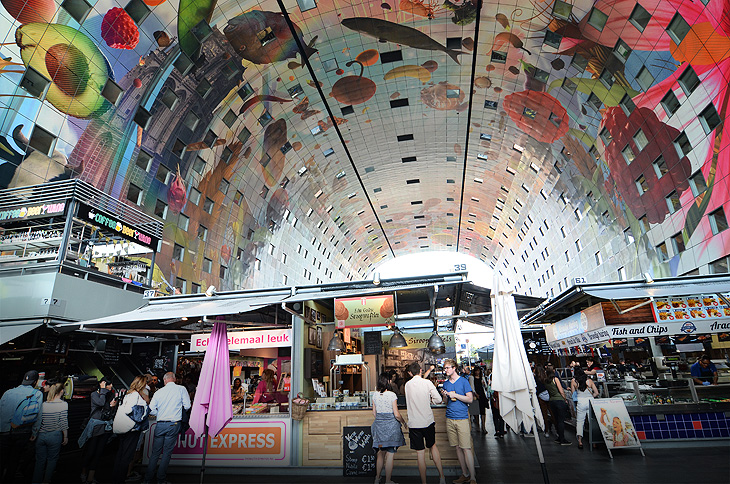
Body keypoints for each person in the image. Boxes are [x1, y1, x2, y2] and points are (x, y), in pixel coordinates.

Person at [143, 372, 191, 484]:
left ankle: (147, 480)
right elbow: (187, 406)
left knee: (155, 453)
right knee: (167, 453)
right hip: (173, 424)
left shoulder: (159, 392)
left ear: (165, 380)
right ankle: (161, 479)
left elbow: (151, 409)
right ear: (174, 379)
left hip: (160, 424)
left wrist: (160, 413)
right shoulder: (181, 389)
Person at [404, 362, 445, 484]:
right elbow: (439, 399)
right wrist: (430, 399)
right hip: (427, 421)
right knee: (433, 446)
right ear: (421, 371)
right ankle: (442, 477)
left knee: (420, 454)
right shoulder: (427, 383)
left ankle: (424, 482)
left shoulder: (407, 385)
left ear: (410, 373)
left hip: (414, 424)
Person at [0, 370, 43, 483]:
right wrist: (34, 433)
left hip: (4, 431)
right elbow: (38, 415)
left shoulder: (8, 392)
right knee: (14, 460)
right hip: (23, 431)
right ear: (35, 382)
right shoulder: (37, 393)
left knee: (1, 459)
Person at [441, 359, 476, 484]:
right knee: (457, 448)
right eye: (444, 368)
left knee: (466, 448)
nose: (445, 370)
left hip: (462, 418)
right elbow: (446, 402)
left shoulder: (464, 381)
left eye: (447, 368)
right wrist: (445, 396)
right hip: (449, 418)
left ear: (454, 368)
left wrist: (455, 395)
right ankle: (465, 474)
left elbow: (470, 399)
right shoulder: (445, 384)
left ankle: (473, 477)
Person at [80, 376, 117, 484]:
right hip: (95, 427)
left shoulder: (109, 394)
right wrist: (103, 390)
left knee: (99, 452)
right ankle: (83, 473)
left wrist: (112, 407)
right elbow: (100, 403)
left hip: (105, 427)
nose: (110, 386)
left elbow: (109, 413)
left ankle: (91, 477)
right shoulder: (95, 394)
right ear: (102, 384)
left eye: (110, 384)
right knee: (90, 452)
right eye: (108, 384)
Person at [371, 373, 406, 484]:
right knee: (390, 454)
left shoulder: (375, 395)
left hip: (379, 426)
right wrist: (404, 422)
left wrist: (381, 421)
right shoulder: (392, 395)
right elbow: (396, 414)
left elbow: (374, 413)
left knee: (381, 452)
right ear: (388, 381)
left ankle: (377, 479)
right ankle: (388, 480)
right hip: (391, 427)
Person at [112, 376, 149, 484]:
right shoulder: (136, 396)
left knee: (121, 454)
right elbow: (133, 412)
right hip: (132, 429)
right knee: (126, 456)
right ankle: (120, 479)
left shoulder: (128, 394)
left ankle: (116, 478)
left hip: (123, 428)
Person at [32, 383, 68, 484]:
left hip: (41, 436)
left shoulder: (44, 404)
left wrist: (34, 433)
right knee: (52, 460)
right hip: (54, 435)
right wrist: (65, 436)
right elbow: (63, 422)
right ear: (61, 391)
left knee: (39, 461)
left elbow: (38, 420)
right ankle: (46, 481)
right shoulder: (63, 404)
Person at [570, 367, 599, 449]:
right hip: (590, 402)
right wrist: (591, 396)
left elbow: (573, 394)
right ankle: (594, 442)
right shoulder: (589, 381)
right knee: (592, 421)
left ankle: (580, 441)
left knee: (580, 422)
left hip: (580, 402)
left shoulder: (574, 381)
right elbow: (596, 393)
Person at [544, 368, 571, 445]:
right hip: (559, 400)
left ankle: (559, 438)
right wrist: (565, 399)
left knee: (556, 419)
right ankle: (562, 439)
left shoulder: (546, 381)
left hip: (552, 401)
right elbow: (561, 390)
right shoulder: (555, 379)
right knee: (561, 421)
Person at [534, 366, 553, 438]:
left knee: (544, 414)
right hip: (548, 395)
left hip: (541, 397)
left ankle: (546, 430)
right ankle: (556, 429)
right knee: (552, 413)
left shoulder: (535, 378)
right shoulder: (546, 377)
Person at [468, 367, 488, 434]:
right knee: (476, 411)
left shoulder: (482, 378)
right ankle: (478, 426)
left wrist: (484, 384)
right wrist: (475, 394)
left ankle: (483, 426)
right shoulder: (471, 378)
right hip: (475, 396)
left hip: (482, 395)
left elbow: (485, 386)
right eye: (476, 371)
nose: (477, 372)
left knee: (483, 411)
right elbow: (472, 387)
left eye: (478, 371)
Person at [487, 370, 505, 438]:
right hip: (499, 402)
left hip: (494, 402)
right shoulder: (500, 385)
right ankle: (501, 431)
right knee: (500, 417)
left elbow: (489, 394)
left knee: (496, 416)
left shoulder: (491, 386)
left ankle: (498, 430)